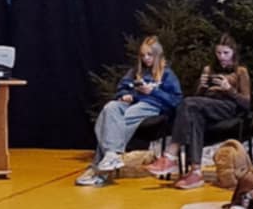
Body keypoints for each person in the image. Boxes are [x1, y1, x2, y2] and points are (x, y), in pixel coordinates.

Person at [77, 34, 180, 187]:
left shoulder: (167, 74)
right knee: (110, 108)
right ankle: (111, 155)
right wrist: (125, 95)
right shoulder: (135, 71)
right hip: (132, 103)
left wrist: (152, 91)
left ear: (158, 55)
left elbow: (176, 100)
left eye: (149, 55)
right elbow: (122, 88)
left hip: (152, 106)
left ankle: (99, 170)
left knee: (113, 124)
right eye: (143, 55)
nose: (146, 58)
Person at [158, 35, 253, 188]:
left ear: (234, 53)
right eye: (218, 53)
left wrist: (229, 89)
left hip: (228, 107)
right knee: (195, 117)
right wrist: (201, 87)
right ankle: (196, 172)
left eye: (226, 53)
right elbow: (199, 98)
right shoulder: (209, 69)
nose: (222, 57)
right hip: (207, 106)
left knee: (188, 102)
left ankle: (170, 154)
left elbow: (246, 103)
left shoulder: (241, 71)